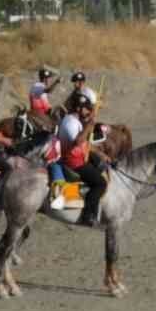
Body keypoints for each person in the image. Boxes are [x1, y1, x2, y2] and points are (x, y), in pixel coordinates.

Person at [57, 92, 109, 226]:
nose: (88, 111)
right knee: (101, 183)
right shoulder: (70, 123)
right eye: (86, 108)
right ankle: (88, 215)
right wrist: (88, 126)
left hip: (79, 157)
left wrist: (101, 154)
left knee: (101, 165)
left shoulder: (73, 120)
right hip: (74, 163)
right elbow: (78, 141)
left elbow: (85, 143)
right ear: (79, 109)